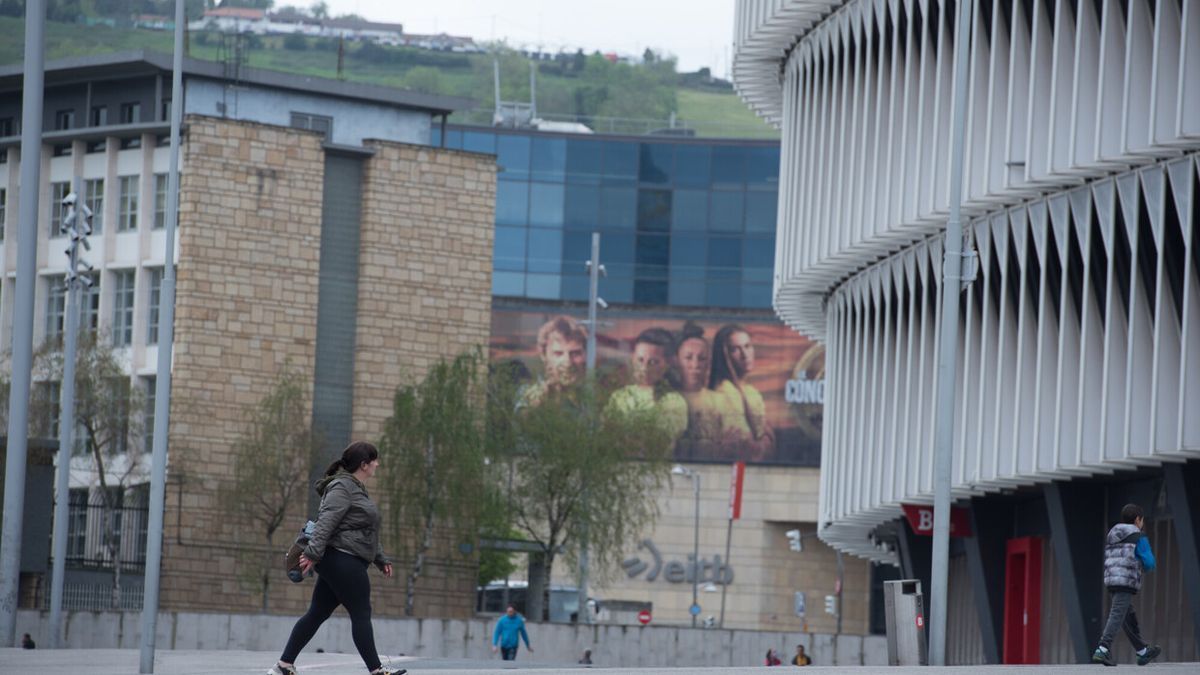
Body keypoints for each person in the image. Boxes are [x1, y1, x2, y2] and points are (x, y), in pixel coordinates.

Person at [269, 442, 404, 675]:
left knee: (317, 613)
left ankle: (283, 665)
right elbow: (327, 520)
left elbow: (363, 530)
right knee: (361, 612)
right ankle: (376, 670)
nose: (377, 464)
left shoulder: (355, 487)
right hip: (343, 559)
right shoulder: (343, 487)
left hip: (343, 558)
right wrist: (312, 553)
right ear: (364, 464)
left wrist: (380, 558)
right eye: (374, 461)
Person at [1092, 503, 1161, 666]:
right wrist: (1142, 567)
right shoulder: (1139, 536)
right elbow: (1149, 563)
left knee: (1127, 615)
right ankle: (1102, 649)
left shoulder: (1112, 533)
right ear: (1138, 519)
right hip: (1126, 580)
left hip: (1112, 579)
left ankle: (1142, 652)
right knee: (1117, 613)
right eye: (1142, 520)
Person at [606, 327, 688, 443]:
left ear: (667, 364)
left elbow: (661, 440)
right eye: (640, 360)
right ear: (633, 358)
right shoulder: (619, 397)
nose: (645, 368)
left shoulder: (674, 401)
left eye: (653, 362)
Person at [710, 324, 774, 460]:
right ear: (724, 356)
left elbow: (769, 441)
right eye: (735, 349)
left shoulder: (751, 392)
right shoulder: (725, 392)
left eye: (747, 346)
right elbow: (744, 446)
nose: (745, 355)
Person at [674, 322, 724, 459]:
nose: (695, 365)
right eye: (688, 358)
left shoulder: (720, 401)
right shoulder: (667, 400)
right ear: (676, 360)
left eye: (701, 359)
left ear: (708, 362)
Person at [518, 315, 588, 408]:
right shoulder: (530, 394)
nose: (567, 362)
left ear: (586, 355)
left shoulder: (593, 395)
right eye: (558, 354)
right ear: (544, 355)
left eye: (575, 353)